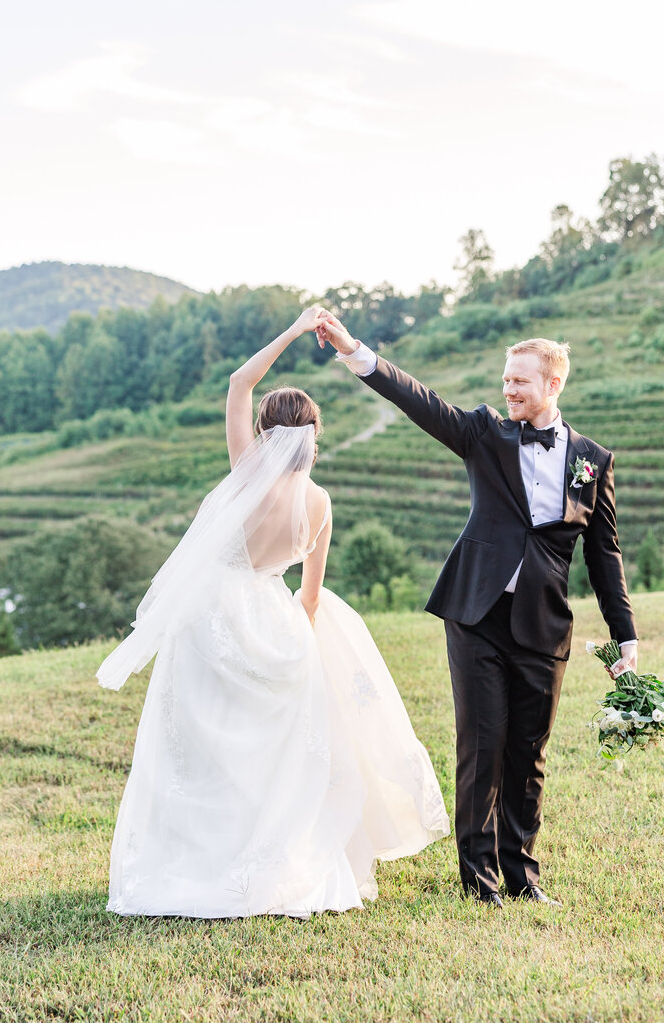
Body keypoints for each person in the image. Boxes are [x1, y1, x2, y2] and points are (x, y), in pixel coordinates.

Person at [96, 307, 450, 920]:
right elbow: (311, 596)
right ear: (314, 435)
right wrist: (297, 649)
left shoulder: (244, 477)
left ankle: (196, 864)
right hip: (275, 623)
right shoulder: (320, 503)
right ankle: (272, 866)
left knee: (201, 750)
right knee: (273, 755)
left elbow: (239, 382)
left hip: (214, 622)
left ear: (262, 433)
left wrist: (290, 333)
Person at [317, 317, 638, 909]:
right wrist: (354, 351)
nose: (509, 389)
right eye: (506, 379)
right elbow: (420, 401)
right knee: (482, 745)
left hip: (544, 624)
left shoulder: (592, 460)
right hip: (477, 614)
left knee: (529, 755)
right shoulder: (485, 433)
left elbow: (604, 552)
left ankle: (523, 876)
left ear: (554, 382)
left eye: (521, 381)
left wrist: (626, 637)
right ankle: (480, 881)